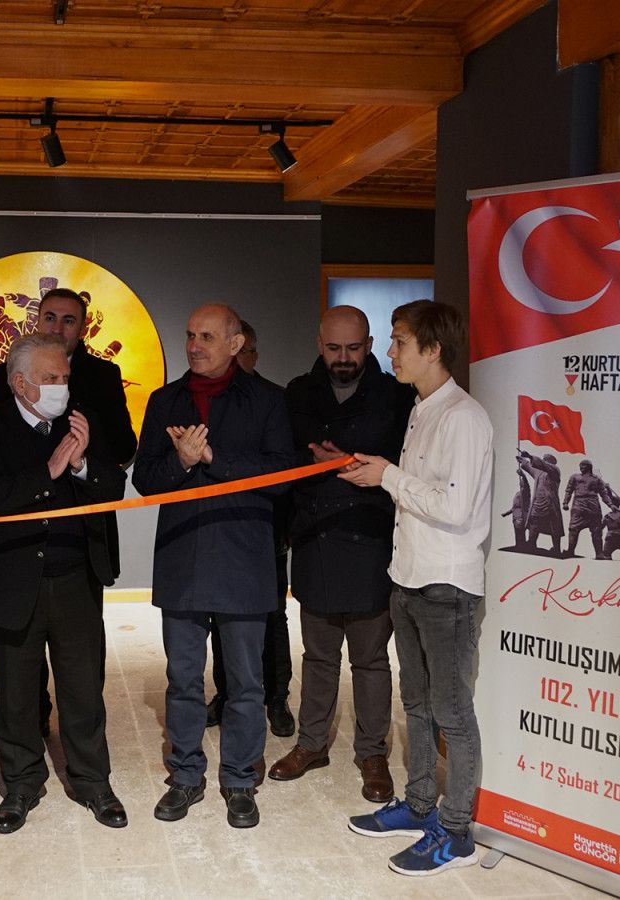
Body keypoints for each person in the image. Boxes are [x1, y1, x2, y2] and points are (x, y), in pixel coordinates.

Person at [338, 300, 492, 877]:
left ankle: (456, 833)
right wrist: (383, 472)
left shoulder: (464, 417)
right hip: (409, 579)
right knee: (417, 704)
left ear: (433, 349)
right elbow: (418, 489)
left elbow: (454, 507)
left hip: (447, 586)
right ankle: (421, 805)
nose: (389, 351)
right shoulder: (422, 409)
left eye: (400, 341)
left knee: (453, 712)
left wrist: (389, 476)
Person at [0, 332, 128, 834]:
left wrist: (81, 463)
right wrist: (48, 471)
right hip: (12, 585)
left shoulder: (80, 424)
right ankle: (22, 783)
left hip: (76, 581)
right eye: (51, 378)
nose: (62, 387)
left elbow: (114, 488)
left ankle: (93, 782)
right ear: (20, 384)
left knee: (83, 691)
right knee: (16, 695)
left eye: (65, 377)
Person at [133, 303, 292, 829]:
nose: (194, 345)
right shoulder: (164, 401)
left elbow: (281, 475)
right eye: (190, 335)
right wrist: (179, 461)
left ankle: (240, 779)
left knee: (245, 683)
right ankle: (185, 775)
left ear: (235, 343)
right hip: (182, 558)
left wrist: (211, 459)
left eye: (206, 336)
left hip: (243, 561)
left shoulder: (269, 401)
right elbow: (145, 479)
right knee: (182, 678)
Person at [271, 305, 412, 803]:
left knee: (371, 660)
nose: (344, 358)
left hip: (370, 538)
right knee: (318, 655)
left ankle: (373, 753)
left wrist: (344, 461)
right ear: (319, 344)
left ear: (370, 346)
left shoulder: (396, 395)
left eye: (354, 348)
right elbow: (286, 459)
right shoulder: (297, 392)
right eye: (334, 348)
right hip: (316, 538)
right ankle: (312, 743)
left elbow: (405, 467)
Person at [0, 287, 136, 734]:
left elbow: (123, 447)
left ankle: (83, 734)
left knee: (82, 656)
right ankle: (32, 723)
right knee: (22, 652)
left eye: (68, 320)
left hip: (81, 528)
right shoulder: (5, 371)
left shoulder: (103, 375)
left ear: (83, 327)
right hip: (22, 533)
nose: (57, 327)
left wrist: (84, 454)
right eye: (50, 317)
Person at [207, 319, 294, 738]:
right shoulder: (206, 399)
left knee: (272, 615)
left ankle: (276, 696)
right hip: (220, 531)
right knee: (220, 616)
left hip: (266, 529)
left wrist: (286, 528)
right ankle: (225, 693)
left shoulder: (275, 400)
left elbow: (285, 470)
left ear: (251, 354)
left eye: (239, 351)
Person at [561, 460, 613, 558]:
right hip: (578, 503)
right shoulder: (575, 477)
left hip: (593, 504)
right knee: (573, 528)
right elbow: (569, 490)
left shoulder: (597, 479)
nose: (581, 467)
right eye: (580, 466)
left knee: (597, 530)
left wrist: (610, 505)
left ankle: (599, 553)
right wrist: (565, 502)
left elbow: (603, 493)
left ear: (589, 467)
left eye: (583, 465)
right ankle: (570, 551)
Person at [519, 449, 563, 555]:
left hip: (550, 502)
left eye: (546, 459)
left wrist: (530, 456)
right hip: (537, 502)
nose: (544, 460)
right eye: (544, 459)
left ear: (551, 462)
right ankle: (531, 543)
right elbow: (530, 467)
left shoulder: (554, 470)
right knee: (534, 521)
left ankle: (556, 548)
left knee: (554, 525)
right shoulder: (539, 473)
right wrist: (523, 461)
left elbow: (542, 465)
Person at [503, 464, 530, 548]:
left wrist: (523, 476)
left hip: (522, 515)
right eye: (520, 482)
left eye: (522, 482)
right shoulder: (518, 493)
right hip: (515, 516)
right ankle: (518, 545)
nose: (521, 483)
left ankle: (522, 545)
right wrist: (506, 513)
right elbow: (514, 508)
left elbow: (527, 485)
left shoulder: (525, 492)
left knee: (520, 531)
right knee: (517, 532)